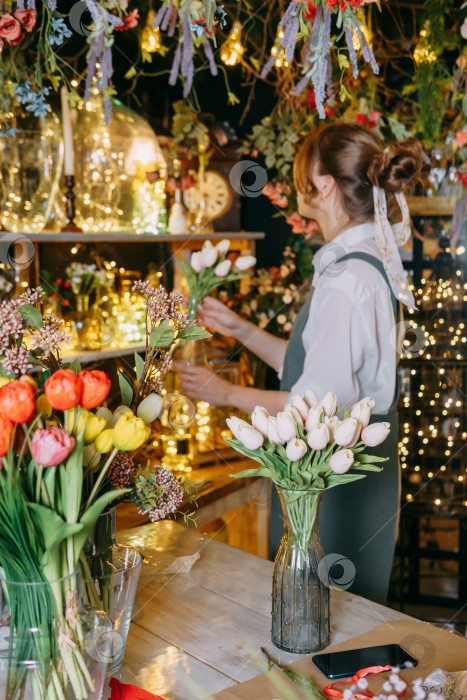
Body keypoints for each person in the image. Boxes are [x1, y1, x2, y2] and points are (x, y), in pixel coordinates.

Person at [176, 123, 422, 604]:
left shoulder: (349, 278)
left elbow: (311, 404)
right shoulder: (362, 261)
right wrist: (242, 331)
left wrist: (223, 393)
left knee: (324, 619)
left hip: (338, 487)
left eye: (303, 169)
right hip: (354, 474)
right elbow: (318, 367)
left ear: (325, 184)